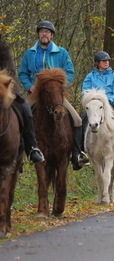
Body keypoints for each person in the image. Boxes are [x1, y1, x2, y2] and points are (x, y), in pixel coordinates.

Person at [18, 21, 89, 169]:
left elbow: (70, 72)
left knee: (77, 120)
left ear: (52, 35)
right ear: (38, 34)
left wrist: (59, 85)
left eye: (47, 31)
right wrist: (29, 86)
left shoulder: (61, 52)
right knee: (19, 117)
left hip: (55, 94)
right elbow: (23, 73)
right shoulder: (30, 53)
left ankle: (76, 154)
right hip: (36, 93)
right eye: (42, 31)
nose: (44, 34)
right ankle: (20, 156)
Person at [0, 33, 44, 164]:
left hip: (4, 87)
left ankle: (31, 148)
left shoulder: (3, 47)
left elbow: (11, 71)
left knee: (24, 108)